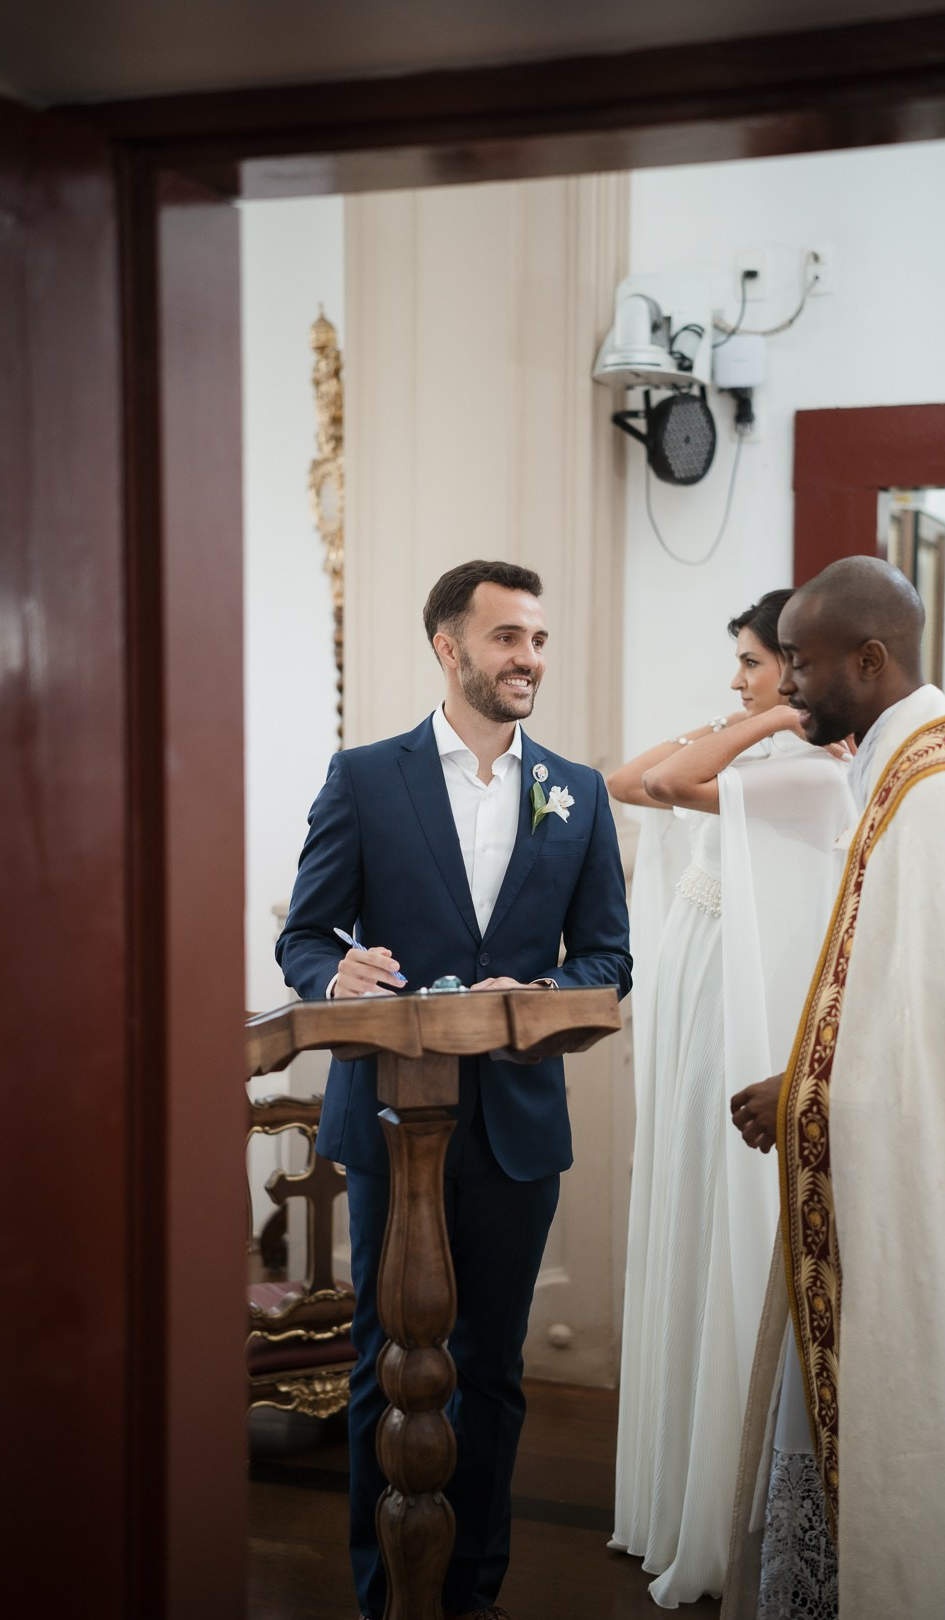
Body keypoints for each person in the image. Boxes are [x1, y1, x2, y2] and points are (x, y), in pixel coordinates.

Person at [275, 559, 631, 1620]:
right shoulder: (364, 777)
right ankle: (386, 1593)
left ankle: (472, 1591)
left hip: (518, 1126)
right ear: (449, 649)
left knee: (493, 1366)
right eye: (509, 638)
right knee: (386, 1361)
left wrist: (542, 995)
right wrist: (332, 972)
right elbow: (304, 933)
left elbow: (607, 959)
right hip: (391, 1118)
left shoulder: (578, 792)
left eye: (539, 639)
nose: (530, 658)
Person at [725, 555, 945, 1620]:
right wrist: (803, 1073)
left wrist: (806, 1097)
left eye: (800, 663)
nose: (787, 684)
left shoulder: (939, 796)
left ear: (870, 657)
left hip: (918, 1204)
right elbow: (893, 1009)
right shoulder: (930, 766)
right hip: (867, 1148)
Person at [606, 590, 854, 1606]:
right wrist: (754, 714)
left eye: (755, 662)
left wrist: (773, 717)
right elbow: (625, 780)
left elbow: (667, 782)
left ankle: (720, 1498)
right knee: (682, 1204)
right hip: (694, 1002)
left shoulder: (810, 774)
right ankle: (668, 1488)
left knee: (721, 1216)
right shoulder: (759, 753)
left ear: (798, 671)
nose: (739, 681)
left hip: (737, 1012)